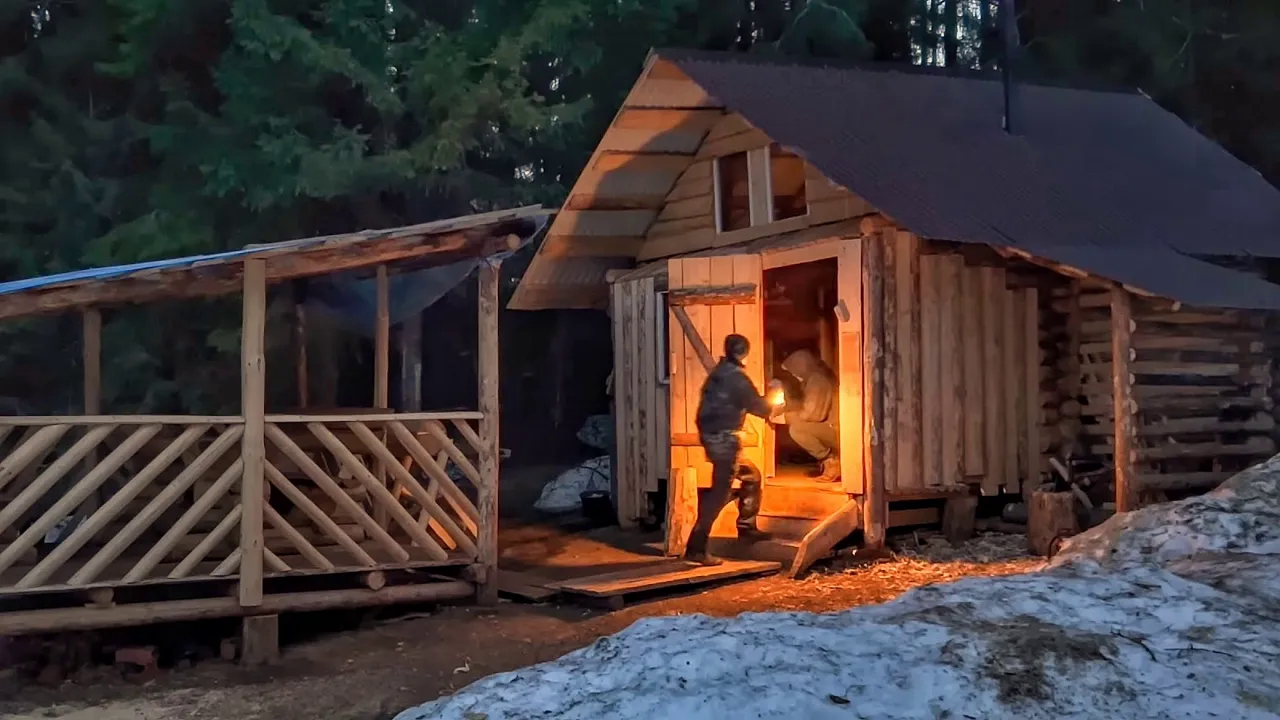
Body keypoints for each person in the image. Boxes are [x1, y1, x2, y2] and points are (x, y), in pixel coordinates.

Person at [687, 333, 777, 566]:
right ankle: (696, 548)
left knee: (751, 476)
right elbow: (761, 408)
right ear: (744, 353)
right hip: (725, 441)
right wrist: (775, 394)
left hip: (712, 437)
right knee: (719, 493)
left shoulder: (718, 373)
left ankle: (746, 527)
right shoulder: (736, 379)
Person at [780, 349, 840, 482]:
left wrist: (786, 417)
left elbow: (813, 414)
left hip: (836, 431)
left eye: (794, 370)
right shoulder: (815, 378)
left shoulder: (817, 380)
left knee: (797, 429)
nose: (793, 374)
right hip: (837, 430)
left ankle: (831, 461)